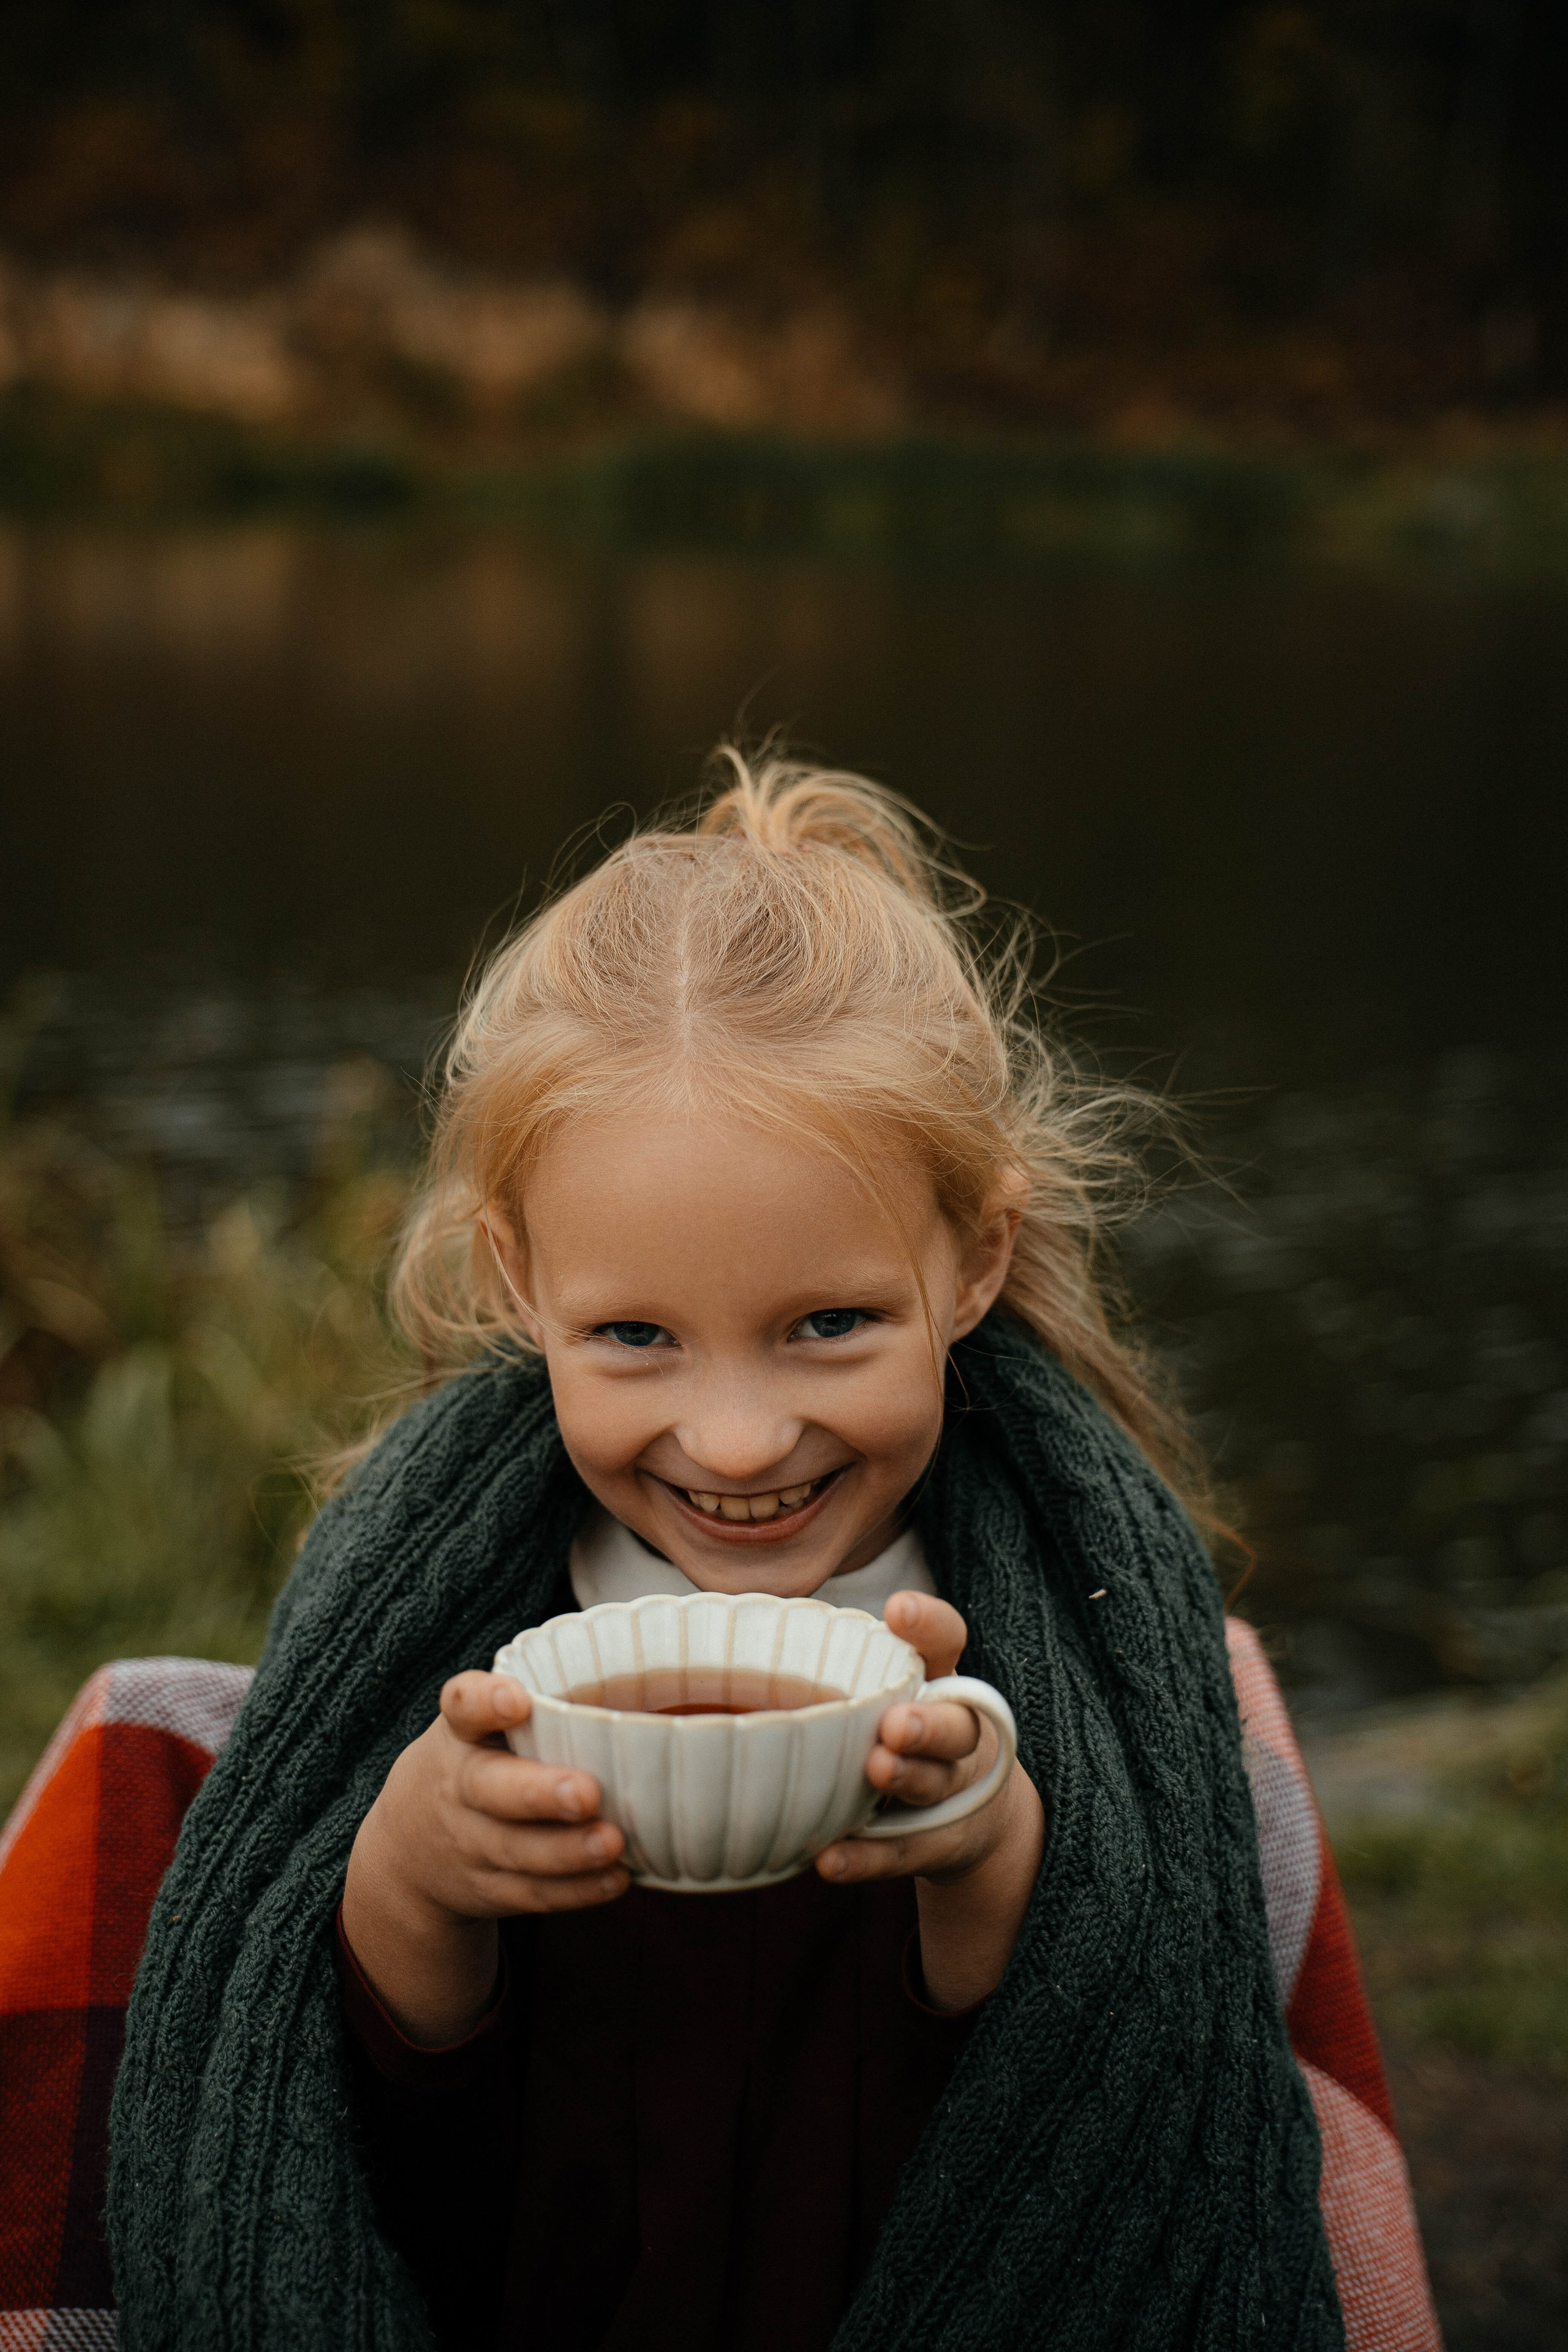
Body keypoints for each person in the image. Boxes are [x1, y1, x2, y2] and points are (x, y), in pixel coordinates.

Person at [108, 755, 1345, 2351]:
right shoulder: (437, 1639)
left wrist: (986, 1852)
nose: (741, 1441)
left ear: (975, 1259)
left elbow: (1091, 2115)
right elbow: (374, 2163)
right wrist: (414, 1877)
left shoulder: (1076, 1655)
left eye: (828, 1324)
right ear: (520, 1280)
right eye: (635, 1335)